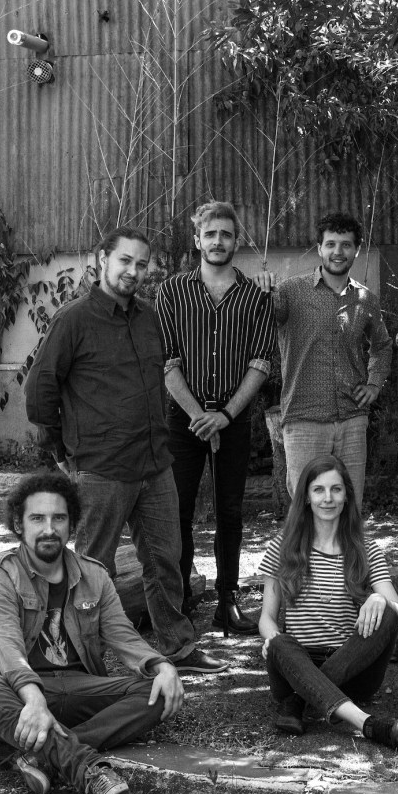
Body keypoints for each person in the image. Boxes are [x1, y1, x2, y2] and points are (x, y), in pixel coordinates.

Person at [25, 227, 226, 675]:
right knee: (93, 570)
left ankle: (177, 646)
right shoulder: (73, 320)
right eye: (125, 261)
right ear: (103, 260)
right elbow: (38, 393)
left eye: (141, 264)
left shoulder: (149, 318)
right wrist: (61, 451)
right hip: (102, 469)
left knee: (166, 559)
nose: (133, 271)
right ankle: (83, 660)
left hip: (154, 465)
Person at [0, 473, 186, 794]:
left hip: (79, 688)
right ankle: (89, 771)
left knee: (157, 692)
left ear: (71, 524)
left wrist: (162, 665)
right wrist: (35, 701)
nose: (49, 529)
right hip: (21, 695)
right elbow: (9, 652)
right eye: (37, 518)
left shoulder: (94, 575)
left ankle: (44, 755)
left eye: (59, 518)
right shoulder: (1, 575)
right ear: (19, 524)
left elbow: (123, 635)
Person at [155, 202, 276, 635]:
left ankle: (228, 602)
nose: (218, 241)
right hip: (183, 419)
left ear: (236, 241)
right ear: (197, 240)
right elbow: (168, 361)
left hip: (233, 418)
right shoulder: (171, 292)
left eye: (226, 234)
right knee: (178, 511)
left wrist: (223, 416)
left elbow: (261, 362)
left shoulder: (255, 295)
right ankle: (180, 602)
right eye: (210, 234)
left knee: (230, 512)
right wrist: (199, 416)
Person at [257, 455, 398, 749]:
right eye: (319, 490)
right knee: (279, 641)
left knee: (389, 612)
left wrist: (379, 599)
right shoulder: (282, 546)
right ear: (306, 497)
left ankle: (299, 701)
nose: (328, 498)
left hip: (353, 668)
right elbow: (266, 618)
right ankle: (366, 723)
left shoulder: (366, 548)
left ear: (346, 496)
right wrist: (272, 640)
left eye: (336, 489)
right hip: (296, 664)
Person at [255, 212, 392, 510]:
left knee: (349, 507)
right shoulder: (290, 292)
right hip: (304, 419)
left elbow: (382, 345)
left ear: (357, 250)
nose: (337, 252)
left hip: (352, 419)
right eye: (330, 244)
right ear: (319, 248)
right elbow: (263, 318)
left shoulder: (365, 299)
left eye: (346, 245)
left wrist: (374, 384)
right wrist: (263, 292)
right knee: (306, 509)